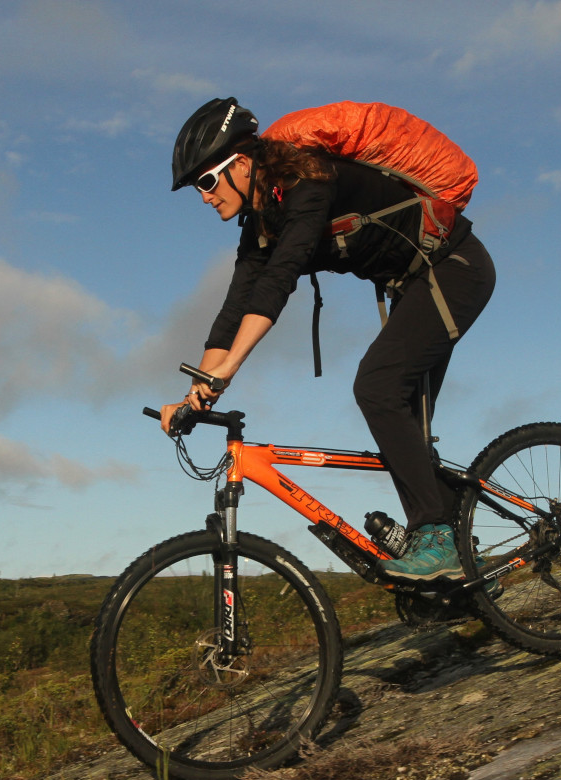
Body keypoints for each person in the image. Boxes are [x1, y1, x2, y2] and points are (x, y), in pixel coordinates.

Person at [159, 97, 495, 581]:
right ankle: (458, 560)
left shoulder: (309, 183)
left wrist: (227, 371)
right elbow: (236, 305)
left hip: (455, 269)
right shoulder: (260, 224)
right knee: (403, 428)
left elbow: (279, 281)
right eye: (197, 188)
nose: (205, 196)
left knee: (377, 388)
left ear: (244, 163)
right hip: (415, 287)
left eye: (207, 181)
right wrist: (197, 389)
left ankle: (440, 536)